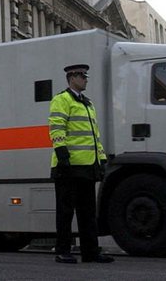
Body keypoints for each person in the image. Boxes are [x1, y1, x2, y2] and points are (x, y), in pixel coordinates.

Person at [49, 63, 114, 264]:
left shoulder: (88, 104)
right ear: (72, 78)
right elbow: (56, 128)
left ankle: (90, 252)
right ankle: (62, 251)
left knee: (87, 212)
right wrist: (63, 155)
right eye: (83, 76)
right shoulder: (61, 100)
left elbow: (94, 136)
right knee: (66, 212)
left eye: (85, 76)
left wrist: (101, 160)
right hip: (67, 166)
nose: (86, 79)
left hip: (87, 166)